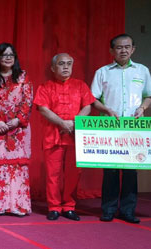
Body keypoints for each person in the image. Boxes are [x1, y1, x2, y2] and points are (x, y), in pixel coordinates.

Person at [91, 34, 151, 224]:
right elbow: (93, 99)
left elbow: (150, 95)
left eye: (127, 47)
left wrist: (142, 108)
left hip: (133, 127)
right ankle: (108, 210)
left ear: (133, 49)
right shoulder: (102, 72)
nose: (123, 51)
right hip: (110, 127)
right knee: (110, 170)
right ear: (111, 51)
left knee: (130, 171)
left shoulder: (142, 70)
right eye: (119, 48)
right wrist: (106, 109)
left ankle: (128, 210)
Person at [33, 53, 95, 221]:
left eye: (69, 63)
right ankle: (53, 207)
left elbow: (87, 106)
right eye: (61, 64)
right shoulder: (45, 87)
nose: (66, 67)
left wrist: (73, 123)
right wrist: (62, 123)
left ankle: (68, 206)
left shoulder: (80, 85)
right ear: (53, 68)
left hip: (75, 136)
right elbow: (43, 109)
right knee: (53, 174)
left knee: (74, 173)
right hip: (53, 136)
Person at [0, 43, 33, 216]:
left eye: (11, 55)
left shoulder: (23, 77)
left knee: (18, 167)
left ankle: (18, 205)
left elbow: (27, 101)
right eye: (4, 55)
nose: (8, 58)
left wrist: (17, 120)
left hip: (19, 129)